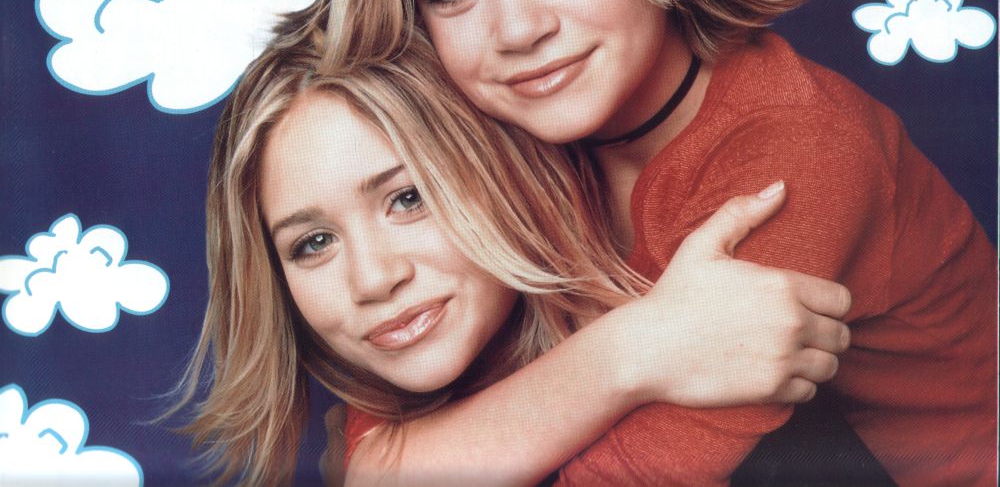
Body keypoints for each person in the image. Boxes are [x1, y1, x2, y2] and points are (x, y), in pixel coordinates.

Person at [313, 0, 998, 484]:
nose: (517, 29)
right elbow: (379, 458)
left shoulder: (800, 148)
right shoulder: (499, 141)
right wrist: (636, 350)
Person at [171, 32, 851, 485]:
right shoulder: (402, 380)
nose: (373, 279)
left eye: (409, 198)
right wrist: (636, 350)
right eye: (312, 244)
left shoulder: (708, 241)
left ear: (501, 170)